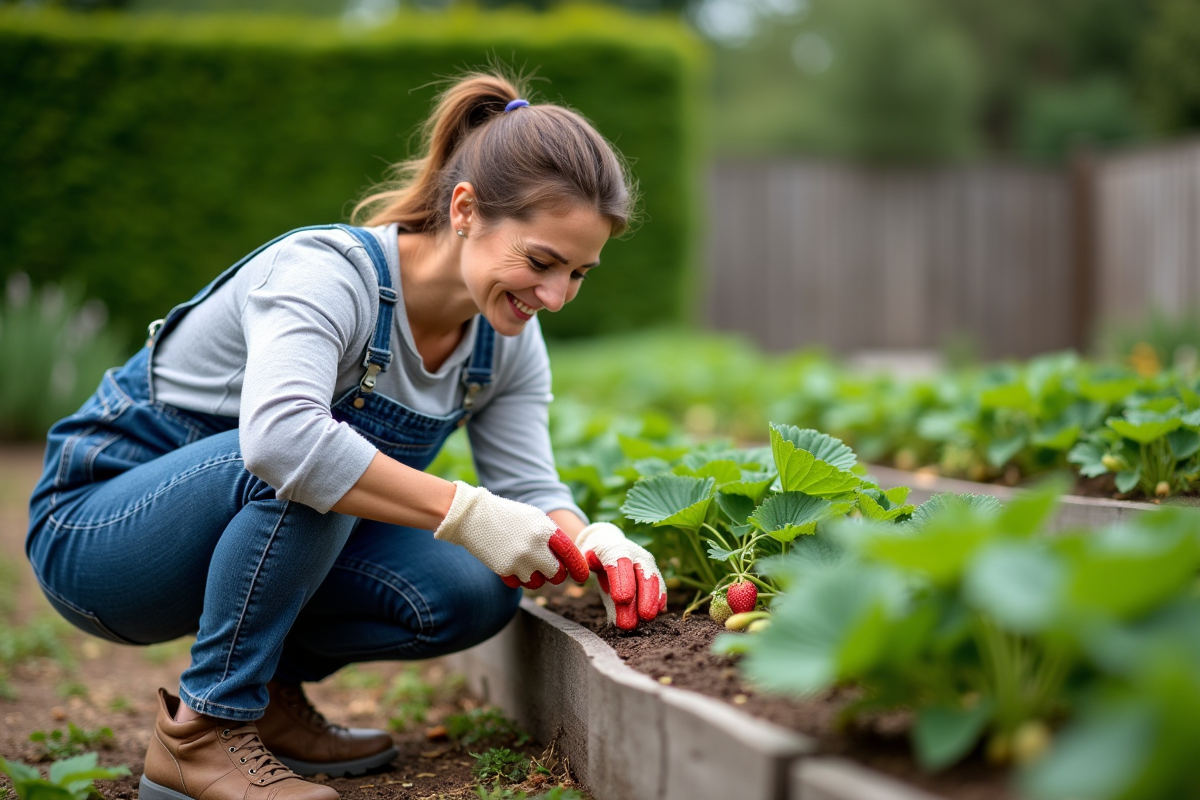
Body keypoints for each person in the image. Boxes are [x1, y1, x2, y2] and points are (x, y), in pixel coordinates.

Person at [25, 71, 666, 800]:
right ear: (465, 209)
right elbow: (281, 443)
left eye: (579, 273)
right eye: (542, 261)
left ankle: (266, 700)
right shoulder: (329, 274)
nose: (554, 297)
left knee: (471, 590)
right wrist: (466, 511)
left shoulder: (505, 338)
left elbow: (527, 485)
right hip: (101, 536)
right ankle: (203, 735)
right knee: (310, 456)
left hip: (252, 518)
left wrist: (593, 541)